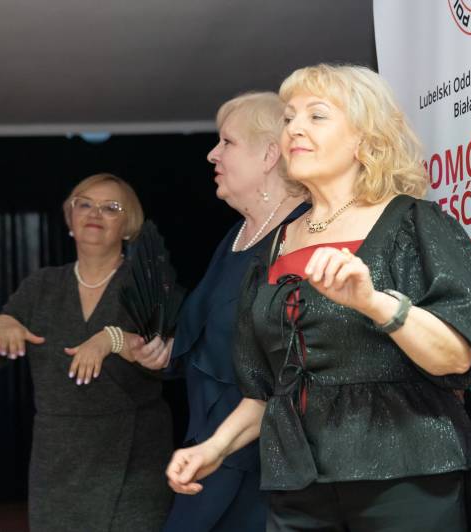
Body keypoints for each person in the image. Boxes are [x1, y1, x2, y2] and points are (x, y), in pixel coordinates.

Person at [166, 64, 471, 531]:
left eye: (317, 116)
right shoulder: (276, 246)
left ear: (364, 139)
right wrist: (214, 448)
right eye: (289, 118)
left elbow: (457, 357)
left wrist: (374, 302)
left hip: (404, 478)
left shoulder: (413, 224)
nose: (294, 128)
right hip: (298, 486)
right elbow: (266, 392)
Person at [133, 92, 307, 531]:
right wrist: (169, 351)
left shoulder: (303, 236)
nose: (212, 154)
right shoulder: (238, 234)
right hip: (213, 447)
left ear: (269, 155)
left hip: (266, 461)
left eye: (227, 142)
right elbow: (217, 335)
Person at [0, 173, 173, 532]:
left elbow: (167, 359)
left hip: (132, 459)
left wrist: (116, 340)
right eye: (85, 204)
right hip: (57, 460)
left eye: (111, 208)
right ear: (70, 217)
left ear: (128, 226)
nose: (95, 213)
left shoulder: (150, 284)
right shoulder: (41, 285)